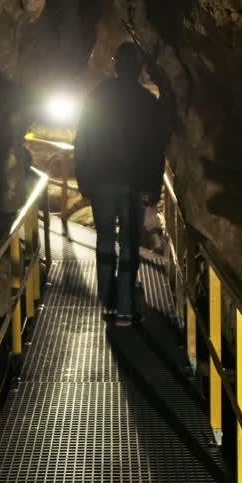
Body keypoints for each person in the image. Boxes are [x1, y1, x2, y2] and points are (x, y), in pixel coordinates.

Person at [74, 42, 167, 326]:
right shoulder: (147, 103)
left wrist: (83, 179)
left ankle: (106, 301)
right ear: (137, 67)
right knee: (128, 243)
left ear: (116, 65)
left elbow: (83, 141)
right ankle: (125, 308)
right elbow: (155, 147)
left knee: (104, 241)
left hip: (102, 181)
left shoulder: (98, 96)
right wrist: (154, 186)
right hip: (134, 184)